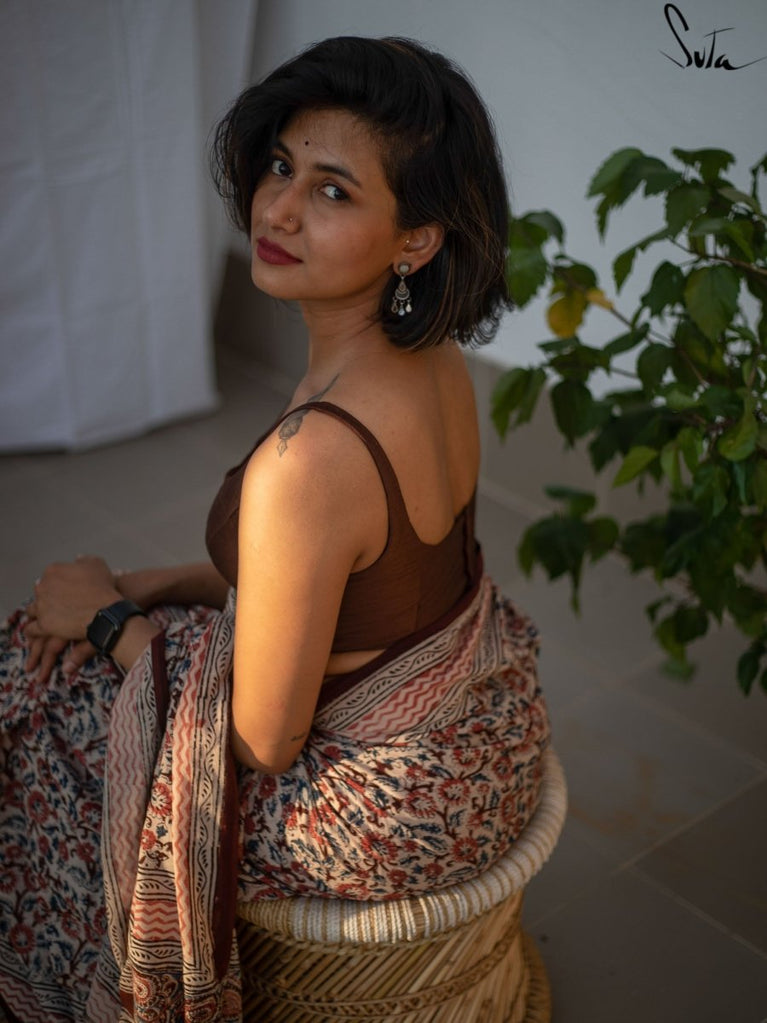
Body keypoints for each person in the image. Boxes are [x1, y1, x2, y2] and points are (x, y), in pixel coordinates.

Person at [0, 36, 550, 1023]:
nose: (279, 209)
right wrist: (161, 585)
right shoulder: (431, 362)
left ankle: (52, 980)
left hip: (372, 810)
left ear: (415, 239)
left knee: (30, 692)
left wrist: (105, 619)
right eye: (282, 168)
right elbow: (360, 584)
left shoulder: (310, 459)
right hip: (470, 737)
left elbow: (260, 736)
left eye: (333, 191)